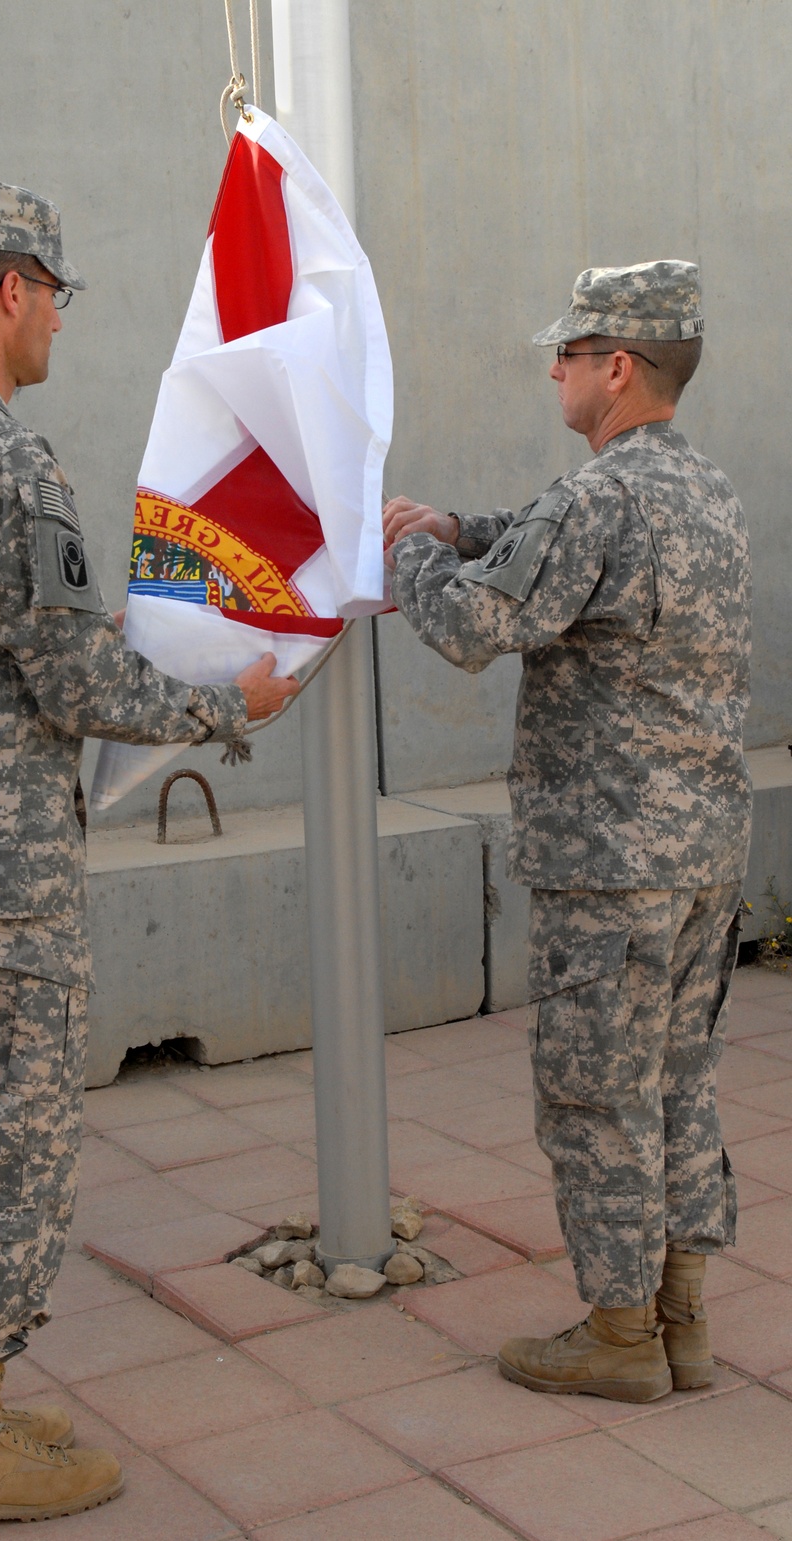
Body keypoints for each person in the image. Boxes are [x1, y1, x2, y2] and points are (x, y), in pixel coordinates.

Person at [0, 176, 299, 1532]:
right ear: (13, 289)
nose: (60, 331)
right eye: (58, 301)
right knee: (4, 1143)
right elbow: (72, 676)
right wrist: (229, 701)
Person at [383, 261, 751, 1404]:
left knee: (594, 1093)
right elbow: (548, 542)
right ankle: (680, 1320)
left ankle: (615, 1334)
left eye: (568, 354)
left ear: (617, 367)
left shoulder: (597, 499)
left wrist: (407, 550)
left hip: (610, 866)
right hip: (701, 851)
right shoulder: (701, 487)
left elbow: (472, 622)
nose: (553, 370)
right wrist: (460, 522)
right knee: (676, 1078)